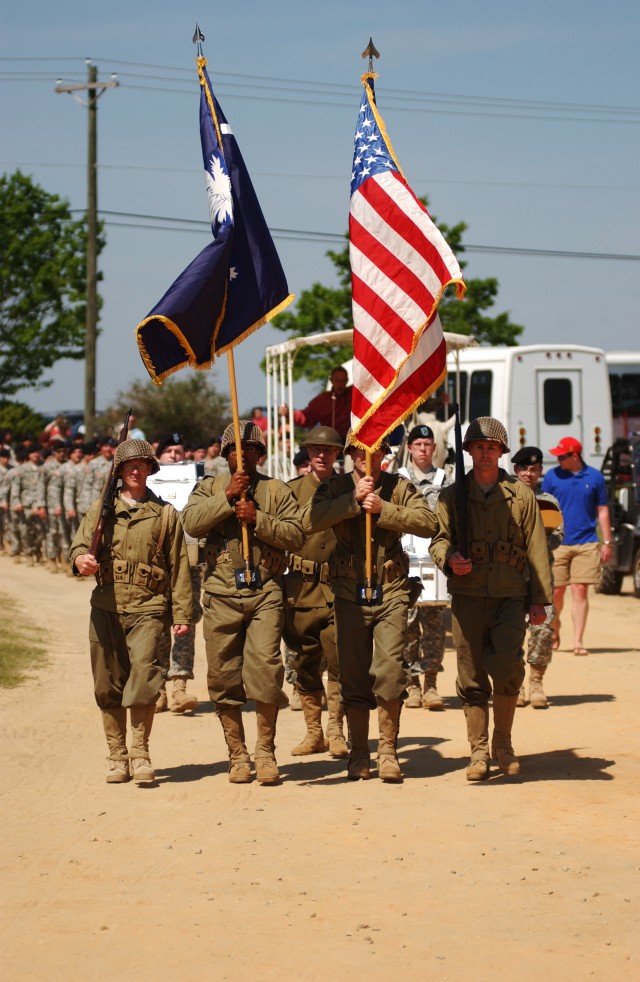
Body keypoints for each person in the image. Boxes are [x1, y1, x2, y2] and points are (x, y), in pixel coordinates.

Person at [304, 433, 435, 782]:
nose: (368, 457)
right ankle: (359, 753)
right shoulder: (334, 487)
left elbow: (428, 523)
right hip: (348, 593)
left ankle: (388, 752)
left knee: (390, 671)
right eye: (361, 451)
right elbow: (311, 520)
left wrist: (385, 509)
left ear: (385, 455)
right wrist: (352, 500)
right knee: (353, 675)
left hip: (390, 591)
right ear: (350, 455)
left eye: (375, 451)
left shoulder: (398, 486)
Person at [182, 420, 304, 785]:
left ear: (260, 454)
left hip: (265, 589)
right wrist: (226, 498)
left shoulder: (276, 490)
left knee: (266, 670)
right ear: (225, 454)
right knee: (222, 674)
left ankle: (265, 751)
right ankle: (238, 755)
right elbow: (190, 523)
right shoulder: (208, 488)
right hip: (220, 592)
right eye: (236, 449)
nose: (243, 455)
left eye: (251, 449)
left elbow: (296, 534)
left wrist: (259, 519)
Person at [430, 417, 552, 781]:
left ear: (501, 452)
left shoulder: (522, 495)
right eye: (479, 447)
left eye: (492, 447)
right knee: (470, 676)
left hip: (509, 596)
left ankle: (503, 744)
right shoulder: (452, 496)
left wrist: (539, 600)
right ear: (468, 451)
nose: (485, 453)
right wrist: (449, 559)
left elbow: (536, 548)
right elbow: (439, 538)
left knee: (508, 667)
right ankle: (478, 752)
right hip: (467, 596)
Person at [69, 439, 193, 784]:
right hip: (106, 605)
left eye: (143, 465)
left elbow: (179, 567)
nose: (137, 471)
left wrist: (182, 615)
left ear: (151, 470)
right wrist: (82, 559)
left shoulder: (166, 514)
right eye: (130, 466)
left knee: (144, 678)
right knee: (108, 683)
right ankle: (116, 756)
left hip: (149, 607)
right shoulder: (101, 510)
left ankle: (139, 753)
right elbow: (78, 547)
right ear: (120, 472)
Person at [283, 426, 348, 758]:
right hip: (301, 588)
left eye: (329, 450)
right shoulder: (290, 492)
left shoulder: (349, 489)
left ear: (338, 454)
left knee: (339, 662)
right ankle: (313, 732)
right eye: (316, 449)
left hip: (340, 587)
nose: (322, 455)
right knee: (305, 662)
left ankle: (336, 730)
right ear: (307, 453)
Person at [398, 424, 452, 710]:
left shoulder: (446, 480)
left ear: (434, 448)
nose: (422, 449)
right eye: (417, 444)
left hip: (435, 563)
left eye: (427, 444)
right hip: (404, 562)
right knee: (405, 627)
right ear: (409, 448)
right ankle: (411, 684)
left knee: (433, 627)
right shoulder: (398, 480)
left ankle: (431, 683)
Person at [541, 437, 612, 656]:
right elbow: (543, 507)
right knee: (556, 591)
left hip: (587, 541)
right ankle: (555, 627)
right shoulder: (552, 476)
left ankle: (578, 640)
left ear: (575, 456)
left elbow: (602, 510)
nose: (558, 459)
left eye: (562, 456)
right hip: (557, 542)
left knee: (580, 590)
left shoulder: (595, 477)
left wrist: (607, 542)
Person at [153, 433, 201, 715]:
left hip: (189, 563)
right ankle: (158, 688)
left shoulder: (196, 483)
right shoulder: (147, 486)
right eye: (168, 450)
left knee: (186, 622)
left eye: (178, 450)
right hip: (157, 565)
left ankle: (180, 687)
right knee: (157, 623)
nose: (173, 455)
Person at [512, 446, 564, 708]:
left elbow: (558, 537)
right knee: (510, 633)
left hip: (540, 577)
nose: (529, 473)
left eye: (534, 469)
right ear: (516, 470)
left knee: (542, 630)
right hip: (509, 577)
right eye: (524, 469)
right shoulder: (505, 498)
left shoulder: (548, 501)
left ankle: (536, 682)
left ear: (540, 471)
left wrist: (538, 538)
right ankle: (517, 684)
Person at [279, 366, 353, 442]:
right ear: (331, 380)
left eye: (342, 380)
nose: (340, 384)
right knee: (302, 452)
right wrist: (289, 413)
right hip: (330, 441)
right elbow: (306, 417)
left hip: (354, 441)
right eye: (337, 380)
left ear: (347, 381)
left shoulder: (356, 394)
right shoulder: (322, 400)